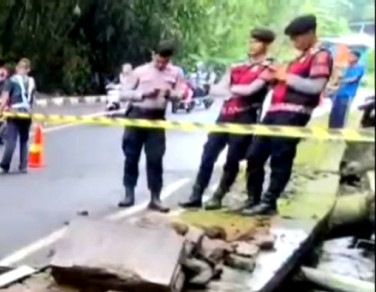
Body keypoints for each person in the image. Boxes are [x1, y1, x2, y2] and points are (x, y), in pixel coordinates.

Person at [242, 14, 333, 216]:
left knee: (280, 157)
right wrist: (275, 78)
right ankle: (253, 198)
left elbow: (315, 87)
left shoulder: (321, 56)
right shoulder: (297, 59)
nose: (294, 42)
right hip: (274, 111)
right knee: (254, 155)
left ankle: (269, 202)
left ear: (310, 33)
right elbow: (285, 81)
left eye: (296, 37)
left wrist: (286, 77)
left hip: (293, 114)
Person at [182, 28, 277, 210]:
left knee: (232, 159)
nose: (252, 45)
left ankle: (218, 196)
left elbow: (250, 90)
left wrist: (229, 89)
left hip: (246, 116)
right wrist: (229, 89)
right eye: (251, 41)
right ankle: (196, 195)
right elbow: (217, 89)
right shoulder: (237, 66)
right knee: (208, 153)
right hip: (225, 114)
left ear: (266, 45)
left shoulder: (269, 67)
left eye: (256, 42)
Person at [117, 41, 187, 211]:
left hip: (156, 119)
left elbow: (181, 94)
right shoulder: (140, 71)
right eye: (159, 60)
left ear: (170, 59)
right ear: (153, 55)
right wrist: (143, 94)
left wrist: (171, 94)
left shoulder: (176, 73)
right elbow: (123, 94)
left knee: (155, 159)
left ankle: (155, 198)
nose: (161, 64)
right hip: (136, 116)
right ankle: (129, 194)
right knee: (131, 157)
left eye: (165, 61)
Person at [0, 58, 37, 174]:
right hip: (27, 113)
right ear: (28, 70)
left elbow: (4, 99)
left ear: (17, 68)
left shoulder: (11, 81)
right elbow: (33, 99)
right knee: (24, 140)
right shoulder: (32, 81)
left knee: (11, 140)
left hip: (14, 113)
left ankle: (4, 166)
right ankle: (23, 166)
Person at [329, 50, 365, 129]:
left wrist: (340, 81)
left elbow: (353, 79)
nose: (349, 58)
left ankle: (339, 130)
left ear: (356, 58)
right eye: (349, 56)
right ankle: (331, 130)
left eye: (351, 56)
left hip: (348, 95)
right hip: (339, 93)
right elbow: (341, 76)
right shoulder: (348, 67)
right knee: (334, 113)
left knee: (342, 114)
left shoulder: (360, 68)